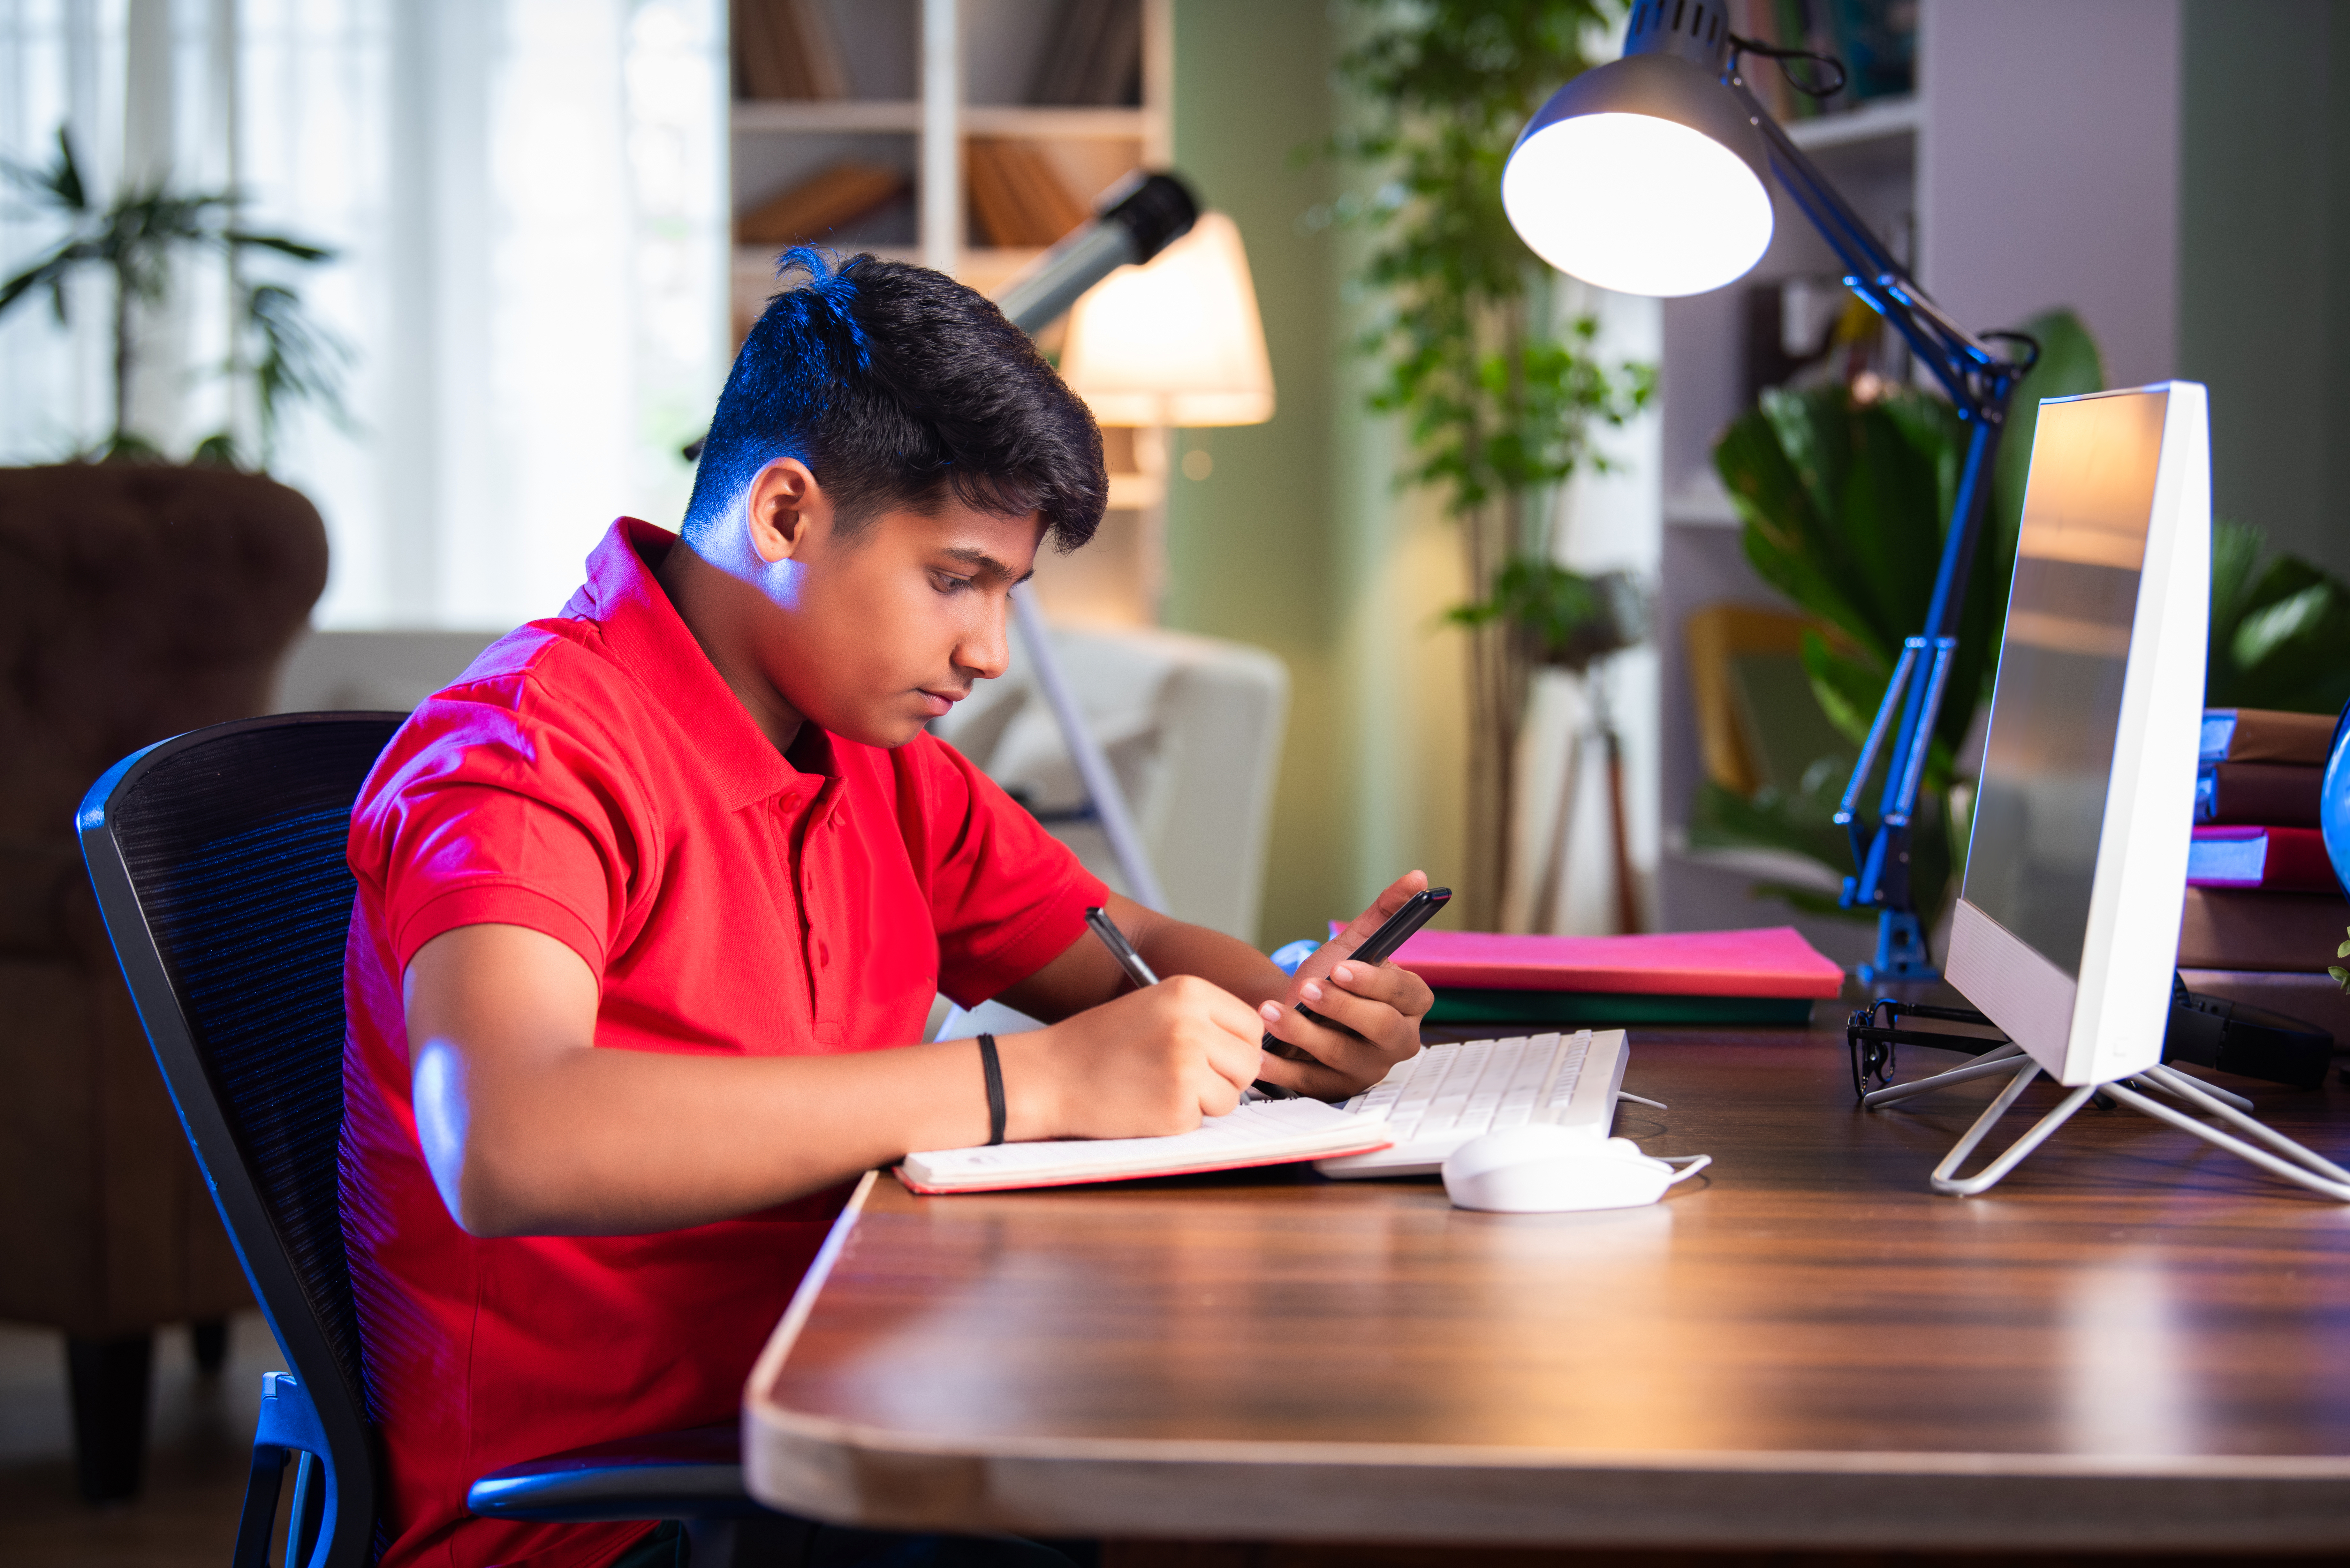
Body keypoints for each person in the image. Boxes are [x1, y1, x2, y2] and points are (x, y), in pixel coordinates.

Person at [340, 248, 1435, 1568]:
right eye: (955, 578)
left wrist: (1295, 1007)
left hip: (854, 1392)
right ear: (788, 515)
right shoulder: (524, 754)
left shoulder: (874, 757)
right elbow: (507, 1136)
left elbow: (1125, 953)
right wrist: (1014, 1085)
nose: (985, 648)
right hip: (620, 1513)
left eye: (1006, 595)